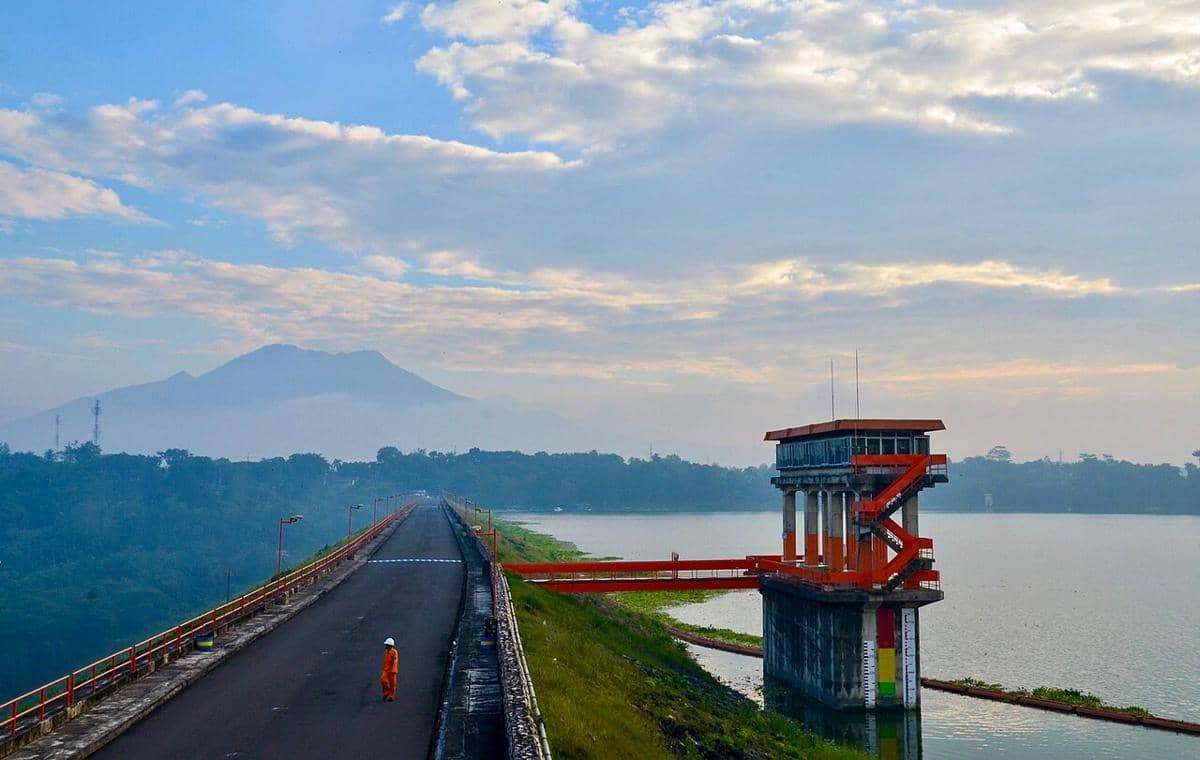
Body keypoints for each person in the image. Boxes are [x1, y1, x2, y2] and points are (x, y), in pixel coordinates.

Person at [380, 637, 398, 701]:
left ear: (390, 646)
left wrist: (394, 670)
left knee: (392, 684)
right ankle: (386, 692)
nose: (386, 646)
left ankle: (391, 696)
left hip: (392, 671)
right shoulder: (385, 652)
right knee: (383, 680)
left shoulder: (394, 652)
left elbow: (395, 661)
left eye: (387, 645)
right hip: (386, 670)